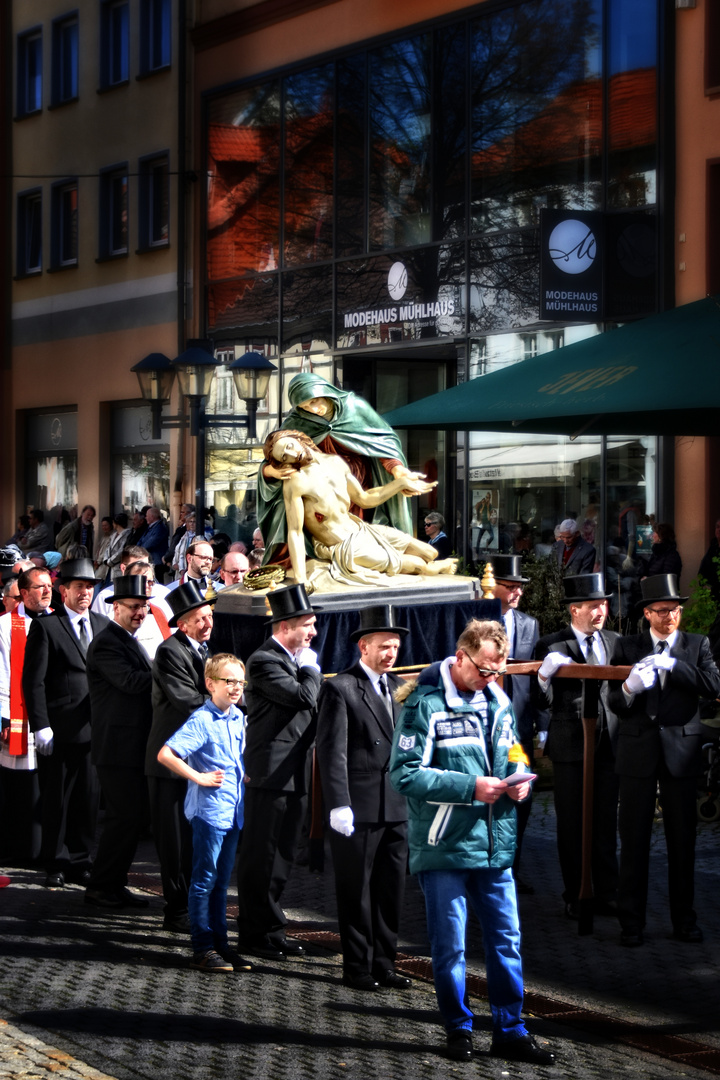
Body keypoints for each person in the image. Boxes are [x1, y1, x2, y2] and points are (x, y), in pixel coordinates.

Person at [389, 620, 553, 1065]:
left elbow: (515, 748)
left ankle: (510, 1029)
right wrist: (470, 787)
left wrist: (522, 780)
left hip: (495, 846)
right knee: (450, 946)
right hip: (444, 848)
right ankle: (458, 1028)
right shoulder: (424, 704)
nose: (490, 679)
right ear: (460, 657)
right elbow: (403, 774)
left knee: (507, 940)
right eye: (483, 670)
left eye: (497, 672)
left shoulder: (498, 699)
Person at [609, 574, 720, 946]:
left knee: (682, 842)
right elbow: (613, 702)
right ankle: (631, 923)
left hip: (681, 754)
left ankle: (684, 921)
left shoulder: (696, 645)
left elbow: (713, 685)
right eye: (661, 611)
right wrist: (628, 688)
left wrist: (676, 667)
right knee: (634, 841)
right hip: (637, 751)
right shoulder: (627, 646)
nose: (670, 617)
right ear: (646, 614)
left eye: (675, 610)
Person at [316, 605, 411, 992]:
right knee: (356, 891)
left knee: (392, 890)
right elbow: (331, 750)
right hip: (358, 806)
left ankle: (385, 963)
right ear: (363, 646)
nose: (391, 654)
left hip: (396, 804)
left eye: (395, 647)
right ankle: (357, 966)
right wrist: (339, 803)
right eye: (384, 646)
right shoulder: (340, 688)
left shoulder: (398, 688)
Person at [257, 372, 426, 565]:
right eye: (304, 407)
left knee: (363, 522)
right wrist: (271, 472)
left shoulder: (355, 407)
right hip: (319, 486)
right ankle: (309, 559)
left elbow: (383, 441)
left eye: (314, 402)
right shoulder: (298, 421)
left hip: (355, 477)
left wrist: (396, 469)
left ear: (325, 392)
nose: (313, 410)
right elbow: (272, 454)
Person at [236, 584, 322, 961]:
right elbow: (303, 697)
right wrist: (310, 668)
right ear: (286, 626)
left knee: (284, 853)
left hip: (295, 771)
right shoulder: (264, 660)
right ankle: (252, 932)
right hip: (269, 772)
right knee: (261, 854)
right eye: (308, 625)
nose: (313, 633)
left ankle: (272, 928)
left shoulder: (291, 660)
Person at [158, 653, 253, 975]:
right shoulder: (202, 720)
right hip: (210, 812)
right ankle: (202, 947)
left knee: (221, 883)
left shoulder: (239, 717)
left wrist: (243, 774)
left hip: (233, 810)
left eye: (240, 682)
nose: (236, 687)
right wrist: (197, 777)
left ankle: (221, 946)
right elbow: (166, 754)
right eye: (229, 681)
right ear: (210, 684)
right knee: (203, 882)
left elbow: (234, 758)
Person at [265, 430, 455, 587]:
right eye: (284, 457)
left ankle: (436, 564)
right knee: (420, 565)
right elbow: (295, 532)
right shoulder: (296, 481)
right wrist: (300, 579)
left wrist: (400, 483)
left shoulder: (335, 463)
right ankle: (436, 568)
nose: (291, 454)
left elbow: (364, 498)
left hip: (362, 530)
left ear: (298, 438)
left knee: (430, 553)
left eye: (289, 446)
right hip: (345, 546)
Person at [534, 573, 620, 918]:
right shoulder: (552, 645)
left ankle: (607, 891)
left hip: (608, 744)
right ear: (574, 610)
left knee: (604, 821)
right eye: (593, 606)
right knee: (572, 824)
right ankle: (576, 892)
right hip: (570, 745)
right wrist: (543, 677)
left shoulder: (614, 641)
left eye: (603, 605)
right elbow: (542, 700)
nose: (600, 611)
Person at [22, 559, 109, 888]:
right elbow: (34, 681)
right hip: (58, 729)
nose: (85, 592)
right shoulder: (47, 626)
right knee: (57, 797)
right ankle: (54, 860)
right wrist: (40, 724)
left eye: (89, 587)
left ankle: (80, 858)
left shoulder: (102, 625)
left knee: (87, 797)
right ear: (64, 591)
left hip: (93, 729)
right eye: (79, 587)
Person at [146, 582, 216, 933]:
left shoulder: (206, 651)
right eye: (199, 618)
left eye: (209, 616)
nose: (207, 623)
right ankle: (176, 911)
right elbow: (189, 701)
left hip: (195, 763)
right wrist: (230, 705)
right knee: (174, 842)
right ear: (183, 624)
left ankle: (191, 904)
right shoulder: (170, 651)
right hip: (169, 764)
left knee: (193, 838)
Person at [84, 576, 153, 910]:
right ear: (116, 608)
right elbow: (130, 682)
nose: (140, 612)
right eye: (134, 607)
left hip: (131, 746)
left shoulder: (128, 640)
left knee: (131, 819)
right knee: (122, 818)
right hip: (117, 748)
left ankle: (114, 882)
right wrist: (168, 671)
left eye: (144, 606)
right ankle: (100, 886)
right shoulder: (108, 642)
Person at [487, 554, 543, 894]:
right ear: (493, 586)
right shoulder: (473, 620)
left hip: (518, 728)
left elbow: (534, 678)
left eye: (520, 587)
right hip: (480, 728)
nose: (517, 592)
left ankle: (512, 868)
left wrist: (542, 724)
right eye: (510, 586)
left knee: (521, 795)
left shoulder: (529, 624)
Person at [139, 507, 170, 578]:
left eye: (147, 516)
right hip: (151, 561)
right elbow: (141, 540)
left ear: (152, 517)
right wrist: (137, 549)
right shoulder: (151, 527)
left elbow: (150, 544)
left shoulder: (160, 528)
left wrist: (139, 550)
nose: (145, 518)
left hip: (157, 562)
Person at [698, 518, 720, 602]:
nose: (719, 529)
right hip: (710, 591)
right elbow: (705, 565)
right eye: (717, 527)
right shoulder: (713, 546)